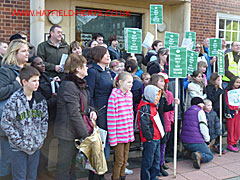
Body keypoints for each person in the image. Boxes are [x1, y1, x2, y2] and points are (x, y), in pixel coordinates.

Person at [54, 54, 97, 180]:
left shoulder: (81, 84)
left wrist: (92, 111)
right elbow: (74, 113)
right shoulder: (69, 85)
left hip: (75, 132)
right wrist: (85, 134)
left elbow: (86, 105)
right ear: (77, 68)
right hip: (67, 132)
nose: (87, 68)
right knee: (64, 167)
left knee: (72, 167)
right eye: (85, 66)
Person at [1, 66, 48, 180]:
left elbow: (44, 121)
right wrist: (19, 142)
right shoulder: (14, 100)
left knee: (32, 176)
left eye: (38, 80)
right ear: (24, 82)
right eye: (34, 81)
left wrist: (40, 139)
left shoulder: (40, 100)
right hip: (18, 149)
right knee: (19, 176)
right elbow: (6, 123)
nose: (37, 83)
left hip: (35, 147)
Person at [0, 39, 29, 180]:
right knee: (7, 158)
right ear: (14, 52)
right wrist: (17, 84)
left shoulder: (27, 70)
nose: (27, 53)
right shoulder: (6, 70)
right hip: (10, 123)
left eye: (28, 50)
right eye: (23, 51)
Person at [85, 46, 113, 180]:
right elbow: (89, 93)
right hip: (99, 112)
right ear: (98, 56)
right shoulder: (93, 72)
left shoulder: (107, 72)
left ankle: (101, 170)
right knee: (99, 144)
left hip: (110, 111)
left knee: (106, 143)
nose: (108, 56)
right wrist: (92, 109)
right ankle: (95, 173)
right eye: (105, 54)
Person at [30, 56, 60, 174]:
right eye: (38, 64)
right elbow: (39, 103)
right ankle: (39, 171)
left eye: (42, 63)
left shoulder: (46, 76)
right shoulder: (34, 82)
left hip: (52, 116)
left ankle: (45, 170)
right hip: (41, 118)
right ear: (33, 66)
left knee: (48, 145)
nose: (42, 65)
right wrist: (54, 99)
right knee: (42, 146)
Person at [107, 72, 135, 180]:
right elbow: (111, 118)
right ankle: (116, 177)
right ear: (120, 82)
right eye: (129, 82)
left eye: (132, 82)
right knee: (119, 160)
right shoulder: (114, 95)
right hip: (118, 135)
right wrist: (113, 138)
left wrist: (131, 132)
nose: (131, 84)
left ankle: (122, 176)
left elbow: (130, 114)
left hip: (127, 133)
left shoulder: (129, 94)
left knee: (125, 159)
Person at [137, 85, 163, 180]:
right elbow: (144, 125)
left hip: (156, 137)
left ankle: (153, 177)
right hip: (150, 139)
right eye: (156, 95)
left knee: (156, 160)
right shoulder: (145, 108)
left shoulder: (152, 105)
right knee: (148, 161)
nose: (157, 97)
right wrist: (149, 138)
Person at [181, 97, 213, 169]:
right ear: (199, 104)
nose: (204, 105)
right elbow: (203, 127)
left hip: (185, 141)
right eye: (202, 103)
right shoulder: (200, 112)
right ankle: (199, 156)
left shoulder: (187, 111)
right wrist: (207, 140)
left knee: (194, 147)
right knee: (209, 155)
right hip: (195, 141)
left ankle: (188, 153)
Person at [225, 76, 240, 152]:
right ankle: (230, 143)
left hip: (238, 112)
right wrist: (234, 108)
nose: (238, 84)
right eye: (236, 82)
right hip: (231, 112)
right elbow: (227, 102)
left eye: (239, 82)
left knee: (237, 128)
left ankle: (235, 142)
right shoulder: (228, 91)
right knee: (231, 128)